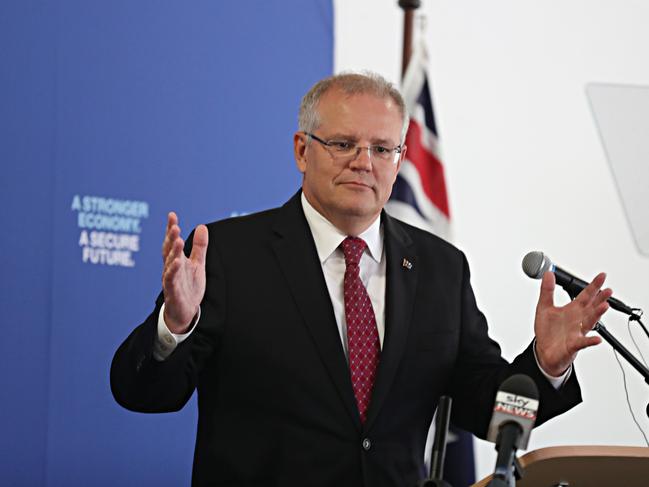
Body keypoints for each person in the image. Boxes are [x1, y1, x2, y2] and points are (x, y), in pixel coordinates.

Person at [111, 72, 611, 487]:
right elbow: (145, 393)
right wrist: (173, 326)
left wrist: (544, 366)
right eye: (344, 144)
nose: (363, 162)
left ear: (400, 158)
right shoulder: (228, 255)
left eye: (382, 148)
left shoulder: (441, 268)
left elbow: (485, 410)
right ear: (302, 151)